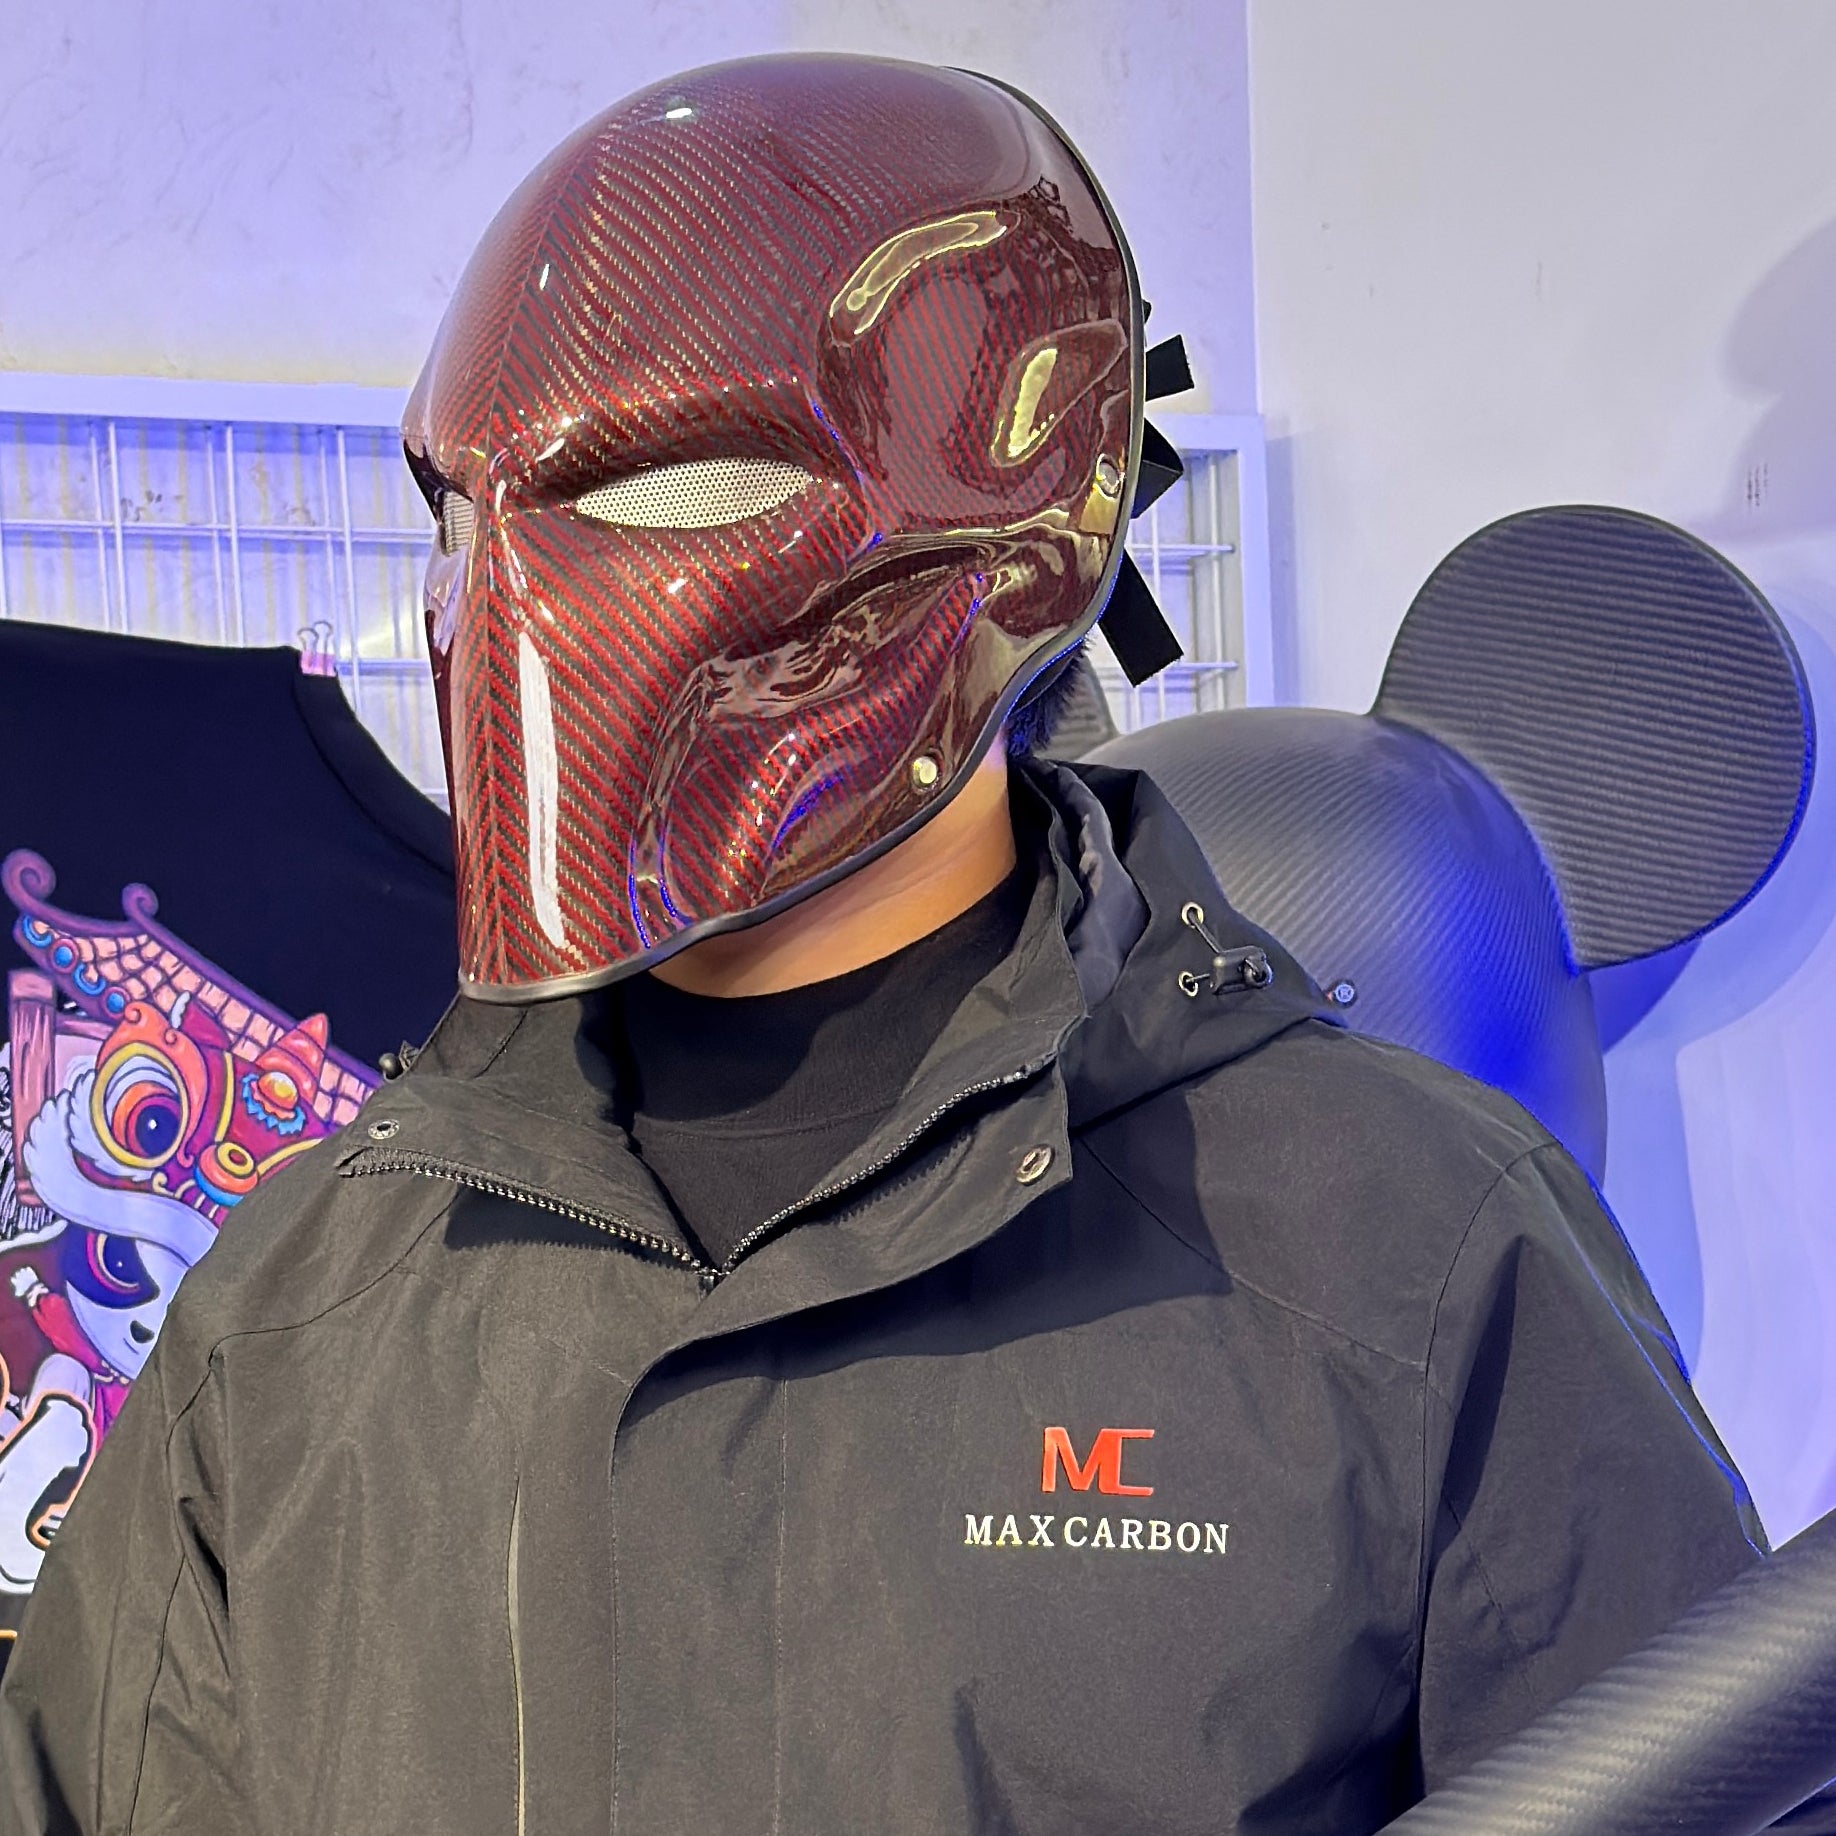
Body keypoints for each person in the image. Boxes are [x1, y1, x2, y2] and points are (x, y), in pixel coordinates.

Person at [1, 51, 1821, 1836]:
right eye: (465, 511)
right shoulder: (302, 1309)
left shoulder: (1407, 1258)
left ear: (1019, 550)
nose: (519, 600)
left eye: (673, 491)